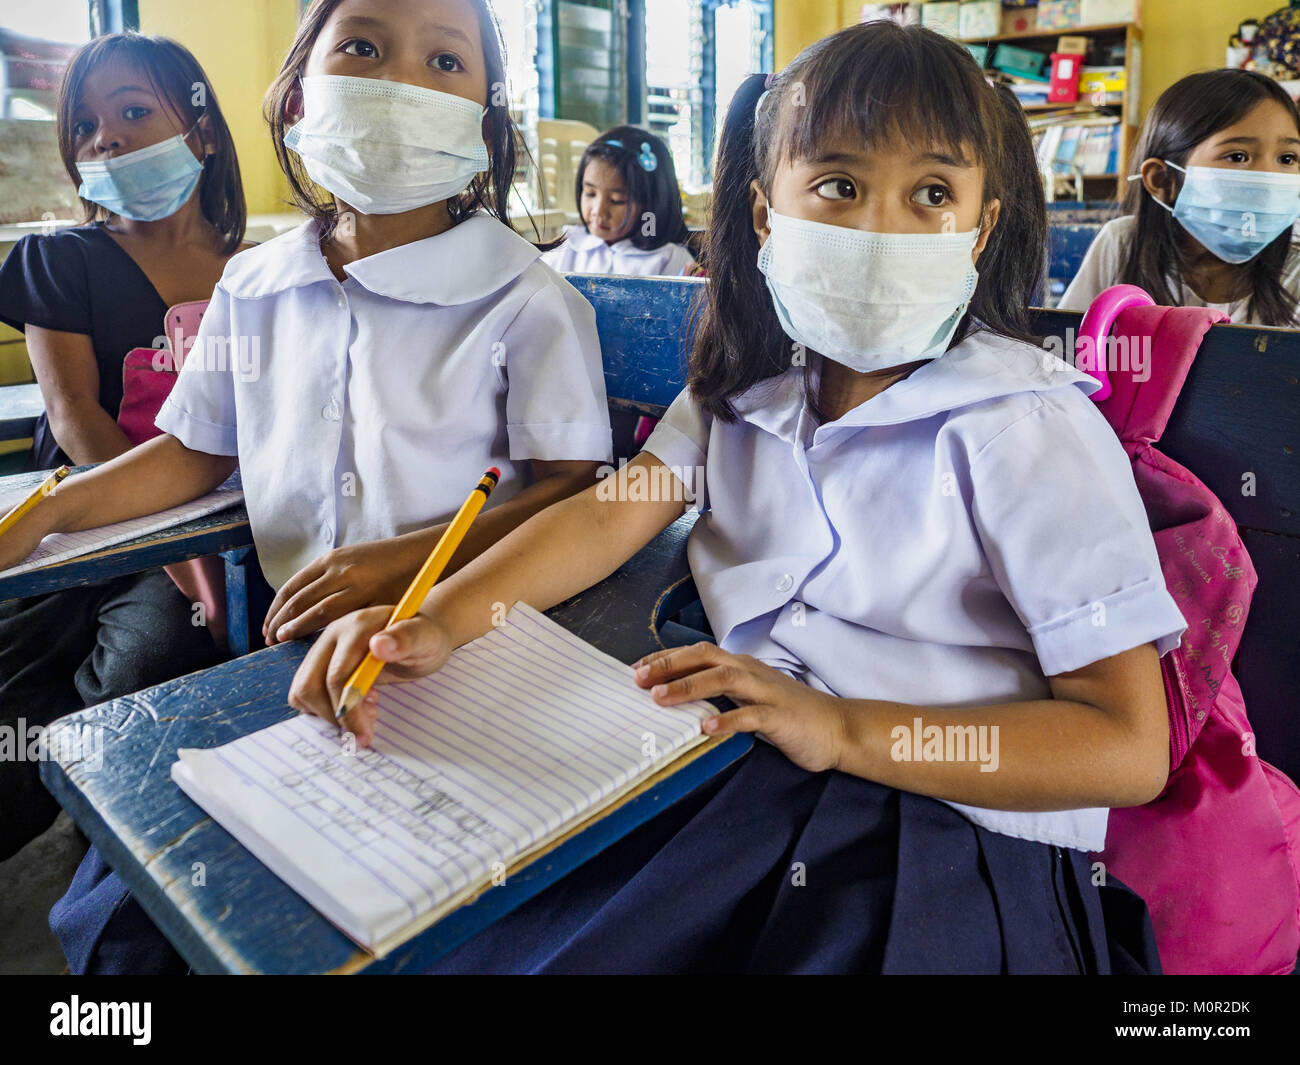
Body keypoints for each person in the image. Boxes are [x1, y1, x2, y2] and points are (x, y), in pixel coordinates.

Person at [292, 23, 1184, 974]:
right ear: (766, 217)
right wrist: (438, 617)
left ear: (980, 227)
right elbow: (606, 514)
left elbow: (1128, 746)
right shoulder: (747, 389)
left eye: (931, 194)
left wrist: (841, 728)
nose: (880, 227)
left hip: (941, 834)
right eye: (839, 186)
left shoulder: (1025, 425)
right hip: (749, 771)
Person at [13, 0, 613, 973]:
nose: (398, 82)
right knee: (126, 931)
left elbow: (570, 489)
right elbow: (195, 452)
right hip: (282, 677)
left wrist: (410, 560)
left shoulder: (524, 296)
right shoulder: (253, 286)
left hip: (465, 668)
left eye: (445, 60)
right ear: (295, 97)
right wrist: (44, 513)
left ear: (486, 125)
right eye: (364, 48)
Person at [0, 32, 248, 860]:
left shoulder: (257, 272)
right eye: (84, 126)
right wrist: (173, 551)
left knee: (153, 661)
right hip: (83, 516)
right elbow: (75, 421)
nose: (103, 138)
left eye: (133, 111)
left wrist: (194, 555)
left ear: (203, 134)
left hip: (209, 526)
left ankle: (104, 827)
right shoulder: (60, 260)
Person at [1061, 69, 1300, 324]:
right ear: (1163, 180)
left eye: (1287, 158)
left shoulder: (1295, 266)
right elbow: (1065, 349)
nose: (1268, 179)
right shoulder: (1122, 244)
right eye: (1237, 156)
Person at [541, 126, 697, 276]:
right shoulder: (567, 249)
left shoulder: (670, 260)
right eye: (590, 193)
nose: (598, 211)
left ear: (650, 203)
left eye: (617, 200)